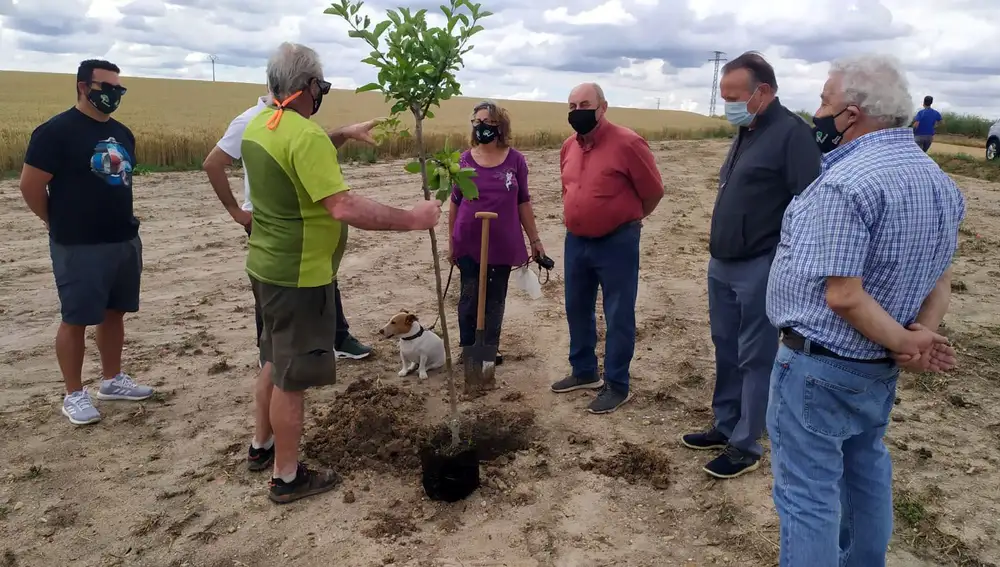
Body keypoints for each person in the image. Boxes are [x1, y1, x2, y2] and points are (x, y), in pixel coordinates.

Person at [765, 54, 964, 566]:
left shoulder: (844, 184)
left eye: (825, 101)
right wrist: (918, 337)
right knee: (865, 475)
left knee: (808, 497)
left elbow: (844, 295)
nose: (818, 110)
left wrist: (906, 342)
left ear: (852, 114)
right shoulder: (938, 181)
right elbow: (939, 277)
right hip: (875, 372)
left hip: (819, 364)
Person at [244, 42, 441, 504]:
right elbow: (344, 205)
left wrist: (340, 134)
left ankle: (261, 446)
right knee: (292, 378)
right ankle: (287, 477)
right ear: (309, 85)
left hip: (266, 267)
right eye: (322, 85)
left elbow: (294, 154)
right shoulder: (303, 135)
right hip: (300, 277)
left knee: (273, 360)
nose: (323, 92)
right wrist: (414, 217)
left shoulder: (260, 125)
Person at [681, 52, 821, 479]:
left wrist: (788, 266)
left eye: (734, 97)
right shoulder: (747, 129)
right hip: (722, 262)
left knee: (754, 356)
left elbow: (809, 206)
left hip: (761, 264)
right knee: (725, 347)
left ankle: (746, 444)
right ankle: (725, 423)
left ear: (763, 91)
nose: (727, 106)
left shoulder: (793, 135)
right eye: (723, 97)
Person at [19, 59, 155, 426]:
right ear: (83, 86)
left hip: (123, 238)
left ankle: (112, 380)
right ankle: (74, 394)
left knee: (115, 313)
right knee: (76, 317)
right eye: (105, 87)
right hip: (77, 244)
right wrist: (56, 220)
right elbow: (30, 187)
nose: (113, 94)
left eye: (118, 89)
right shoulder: (55, 133)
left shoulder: (123, 134)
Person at [203, 95, 377, 366]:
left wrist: (343, 133)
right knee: (273, 289)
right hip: (270, 220)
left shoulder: (294, 119)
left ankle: (337, 339)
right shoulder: (250, 120)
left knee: (324, 279)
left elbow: (307, 149)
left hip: (305, 218)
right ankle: (270, 355)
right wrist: (236, 212)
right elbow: (213, 163)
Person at [549, 83, 664, 414]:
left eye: (584, 103)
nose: (577, 111)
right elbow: (568, 187)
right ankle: (585, 372)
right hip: (577, 241)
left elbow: (653, 191)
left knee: (618, 313)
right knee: (576, 307)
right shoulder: (569, 146)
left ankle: (617, 384)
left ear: (603, 107)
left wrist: (627, 220)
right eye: (571, 106)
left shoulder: (628, 143)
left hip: (617, 241)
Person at [449, 100, 544, 367]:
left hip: (502, 241)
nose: (482, 127)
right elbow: (455, 203)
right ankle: (469, 349)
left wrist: (535, 240)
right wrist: (451, 242)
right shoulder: (463, 160)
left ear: (500, 127)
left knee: (495, 298)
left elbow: (523, 201)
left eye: (489, 123)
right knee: (469, 296)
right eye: (477, 122)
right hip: (469, 239)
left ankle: (489, 349)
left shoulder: (515, 160)